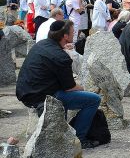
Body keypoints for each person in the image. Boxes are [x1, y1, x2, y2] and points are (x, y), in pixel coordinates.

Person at [16, 20, 102, 148]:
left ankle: (66, 134)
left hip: (25, 92)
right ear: (65, 36)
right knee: (94, 99)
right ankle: (78, 139)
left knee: (66, 97)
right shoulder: (61, 57)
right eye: (72, 32)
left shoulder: (41, 45)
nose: (75, 34)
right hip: (43, 96)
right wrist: (87, 88)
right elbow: (70, 87)